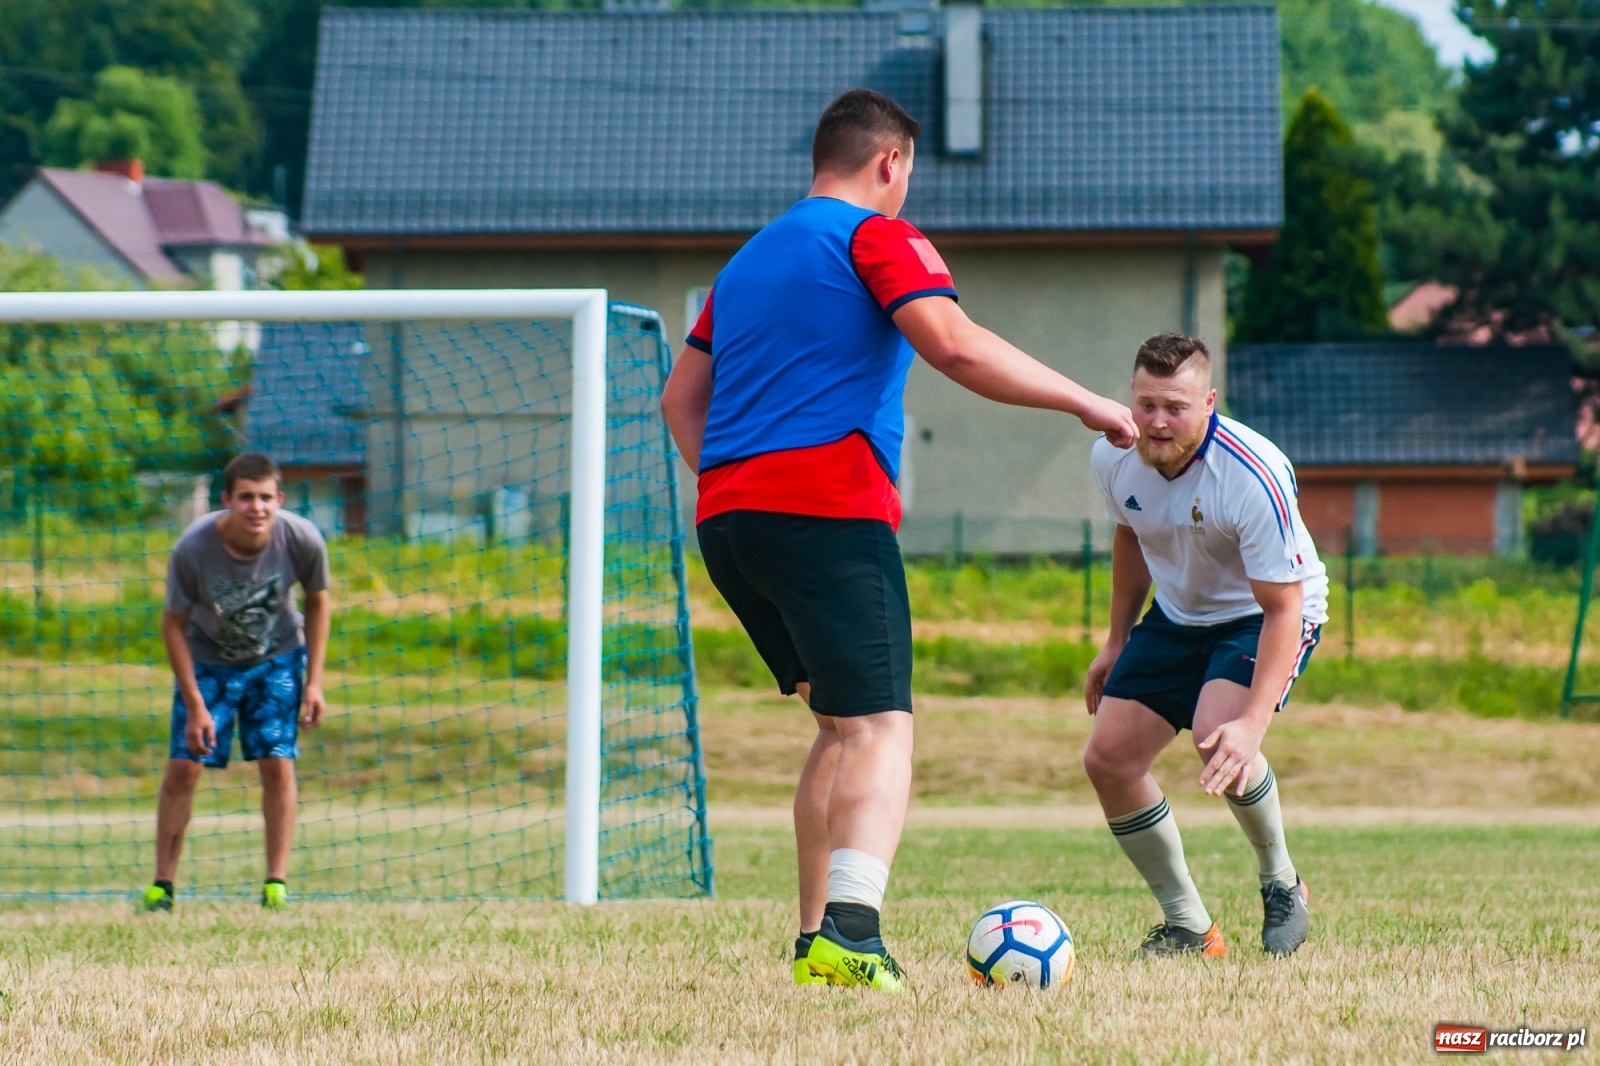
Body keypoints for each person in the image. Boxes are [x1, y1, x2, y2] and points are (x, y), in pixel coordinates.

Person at [660, 88, 1137, 990]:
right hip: (827, 511)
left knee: (839, 726)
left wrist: (734, 486)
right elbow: (953, 345)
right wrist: (1087, 402)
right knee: (881, 725)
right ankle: (853, 934)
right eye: (906, 174)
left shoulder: (748, 261)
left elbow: (679, 401)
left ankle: (813, 941)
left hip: (728, 521)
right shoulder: (875, 236)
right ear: (891, 163)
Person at [1083, 332, 1328, 958]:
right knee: (1108, 759)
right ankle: (1189, 926)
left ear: (1209, 402)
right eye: (1146, 405)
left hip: (1261, 613)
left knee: (1219, 736)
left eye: (1176, 407)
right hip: (1177, 612)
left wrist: (1252, 724)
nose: (1157, 423)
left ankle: (1281, 882)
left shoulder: (1253, 473)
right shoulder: (1112, 457)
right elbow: (1130, 537)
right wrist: (1115, 641)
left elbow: (1284, 608)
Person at [141, 453, 331, 912]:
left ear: (279, 499)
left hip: (278, 657)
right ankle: (162, 885)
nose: (257, 507)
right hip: (208, 662)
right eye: (245, 497)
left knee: (277, 762)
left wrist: (314, 682)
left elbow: (319, 602)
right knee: (185, 765)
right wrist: (194, 703)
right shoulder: (193, 548)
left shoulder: (301, 538)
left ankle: (275, 884)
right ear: (227, 500)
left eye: (266, 497)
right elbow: (172, 625)